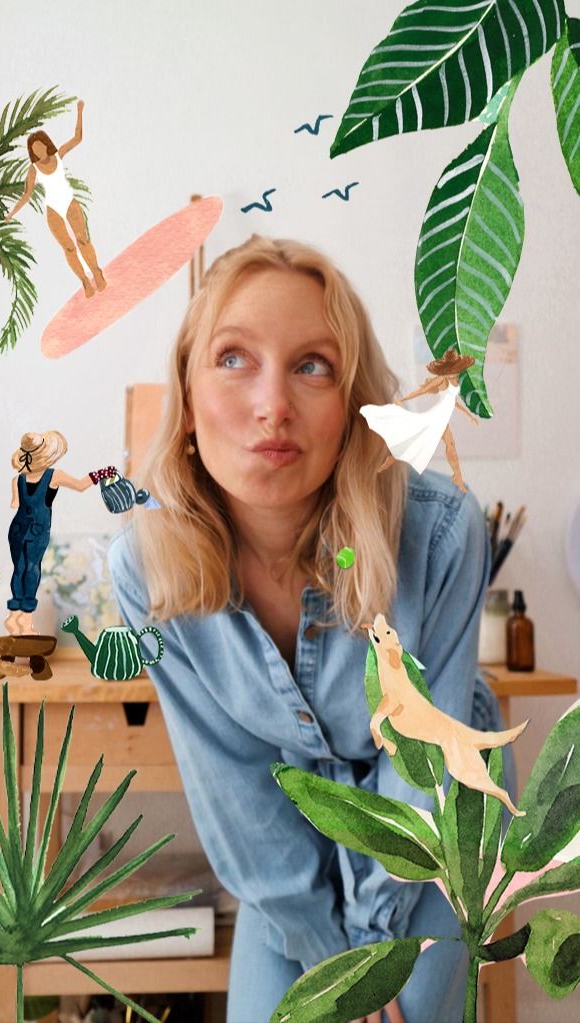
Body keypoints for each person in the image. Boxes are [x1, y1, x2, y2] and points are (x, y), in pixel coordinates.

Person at [107, 236, 507, 1023]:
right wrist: (327, 950)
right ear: (185, 398)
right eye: (233, 358)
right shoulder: (146, 569)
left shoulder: (443, 534)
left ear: (355, 402)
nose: (273, 406)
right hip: (288, 823)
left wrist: (367, 957)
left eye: (313, 365)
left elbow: (423, 777)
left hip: (438, 818)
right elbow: (235, 791)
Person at [6, 430, 115, 636]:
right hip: (36, 530)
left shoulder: (18, 480)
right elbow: (81, 485)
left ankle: (17, 617)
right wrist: (101, 474)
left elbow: (15, 504)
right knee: (30, 568)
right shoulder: (53, 475)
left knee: (20, 568)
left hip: (18, 528)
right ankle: (24, 620)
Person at [4, 100, 107, 299]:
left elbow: (77, 138)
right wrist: (11, 215)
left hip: (69, 202)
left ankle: (96, 272)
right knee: (69, 248)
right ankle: (85, 281)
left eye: (40, 146)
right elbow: (26, 195)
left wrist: (79, 111)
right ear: (32, 153)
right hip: (53, 210)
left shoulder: (58, 155)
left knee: (82, 240)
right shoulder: (33, 170)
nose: (39, 151)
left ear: (46, 145)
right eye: (34, 150)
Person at [360, 349, 480, 493]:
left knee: (450, 446)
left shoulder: (454, 382)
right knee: (412, 444)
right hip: (436, 417)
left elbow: (454, 403)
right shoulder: (440, 381)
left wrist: (470, 416)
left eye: (456, 369)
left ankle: (458, 479)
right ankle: (382, 468)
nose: (455, 372)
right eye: (453, 369)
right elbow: (421, 391)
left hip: (443, 418)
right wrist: (403, 399)